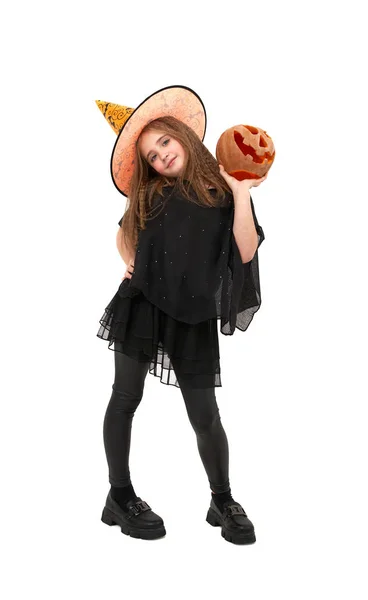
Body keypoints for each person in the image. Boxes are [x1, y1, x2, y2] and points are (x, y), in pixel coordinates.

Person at [95, 85, 266, 544]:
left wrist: (241, 193)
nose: (161, 156)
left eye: (165, 143)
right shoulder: (152, 196)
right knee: (125, 398)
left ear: (182, 137)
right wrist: (129, 259)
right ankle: (119, 495)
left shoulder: (222, 190)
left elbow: (245, 250)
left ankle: (222, 499)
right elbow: (122, 235)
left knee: (205, 415)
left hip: (191, 314)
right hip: (143, 301)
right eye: (151, 155)